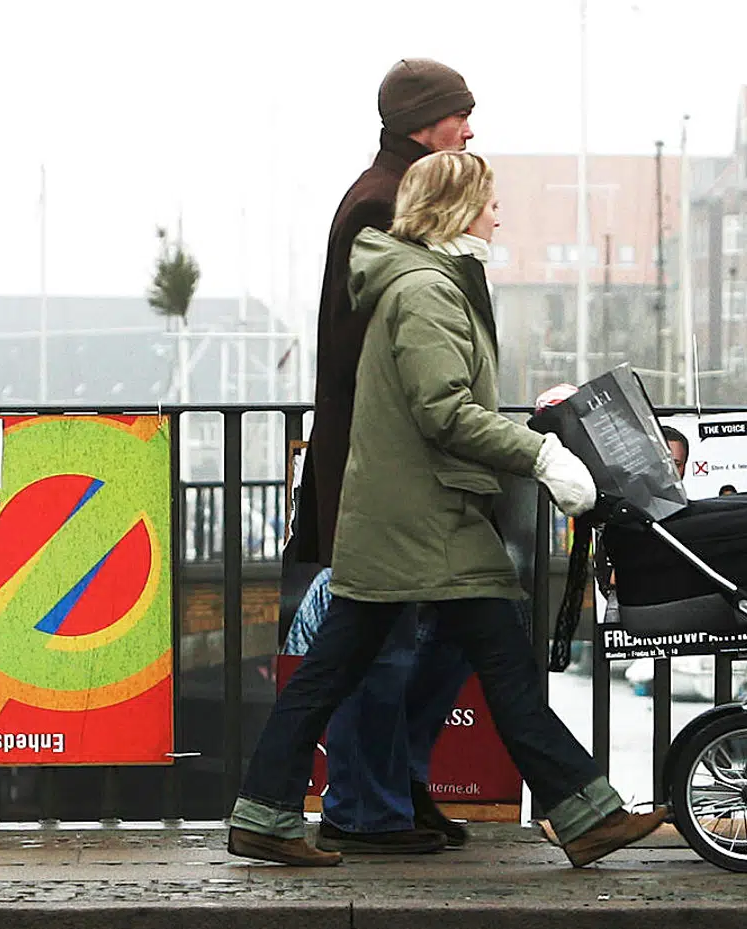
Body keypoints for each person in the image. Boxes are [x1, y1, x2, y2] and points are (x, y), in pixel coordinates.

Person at [229, 151, 668, 867]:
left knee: (430, 662)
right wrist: (543, 455)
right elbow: (445, 413)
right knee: (387, 666)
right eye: (490, 202)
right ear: (459, 209)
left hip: (420, 517)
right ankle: (583, 810)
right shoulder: (428, 291)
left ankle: (585, 810)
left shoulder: (424, 281)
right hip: (420, 521)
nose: (500, 215)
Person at [285, 57, 481, 855]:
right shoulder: (381, 205)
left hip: (401, 466)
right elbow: (392, 358)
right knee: (389, 639)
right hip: (389, 469)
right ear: (421, 124)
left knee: (449, 628)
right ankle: (367, 806)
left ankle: (392, 786)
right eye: (459, 116)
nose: (470, 128)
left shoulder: (395, 197)